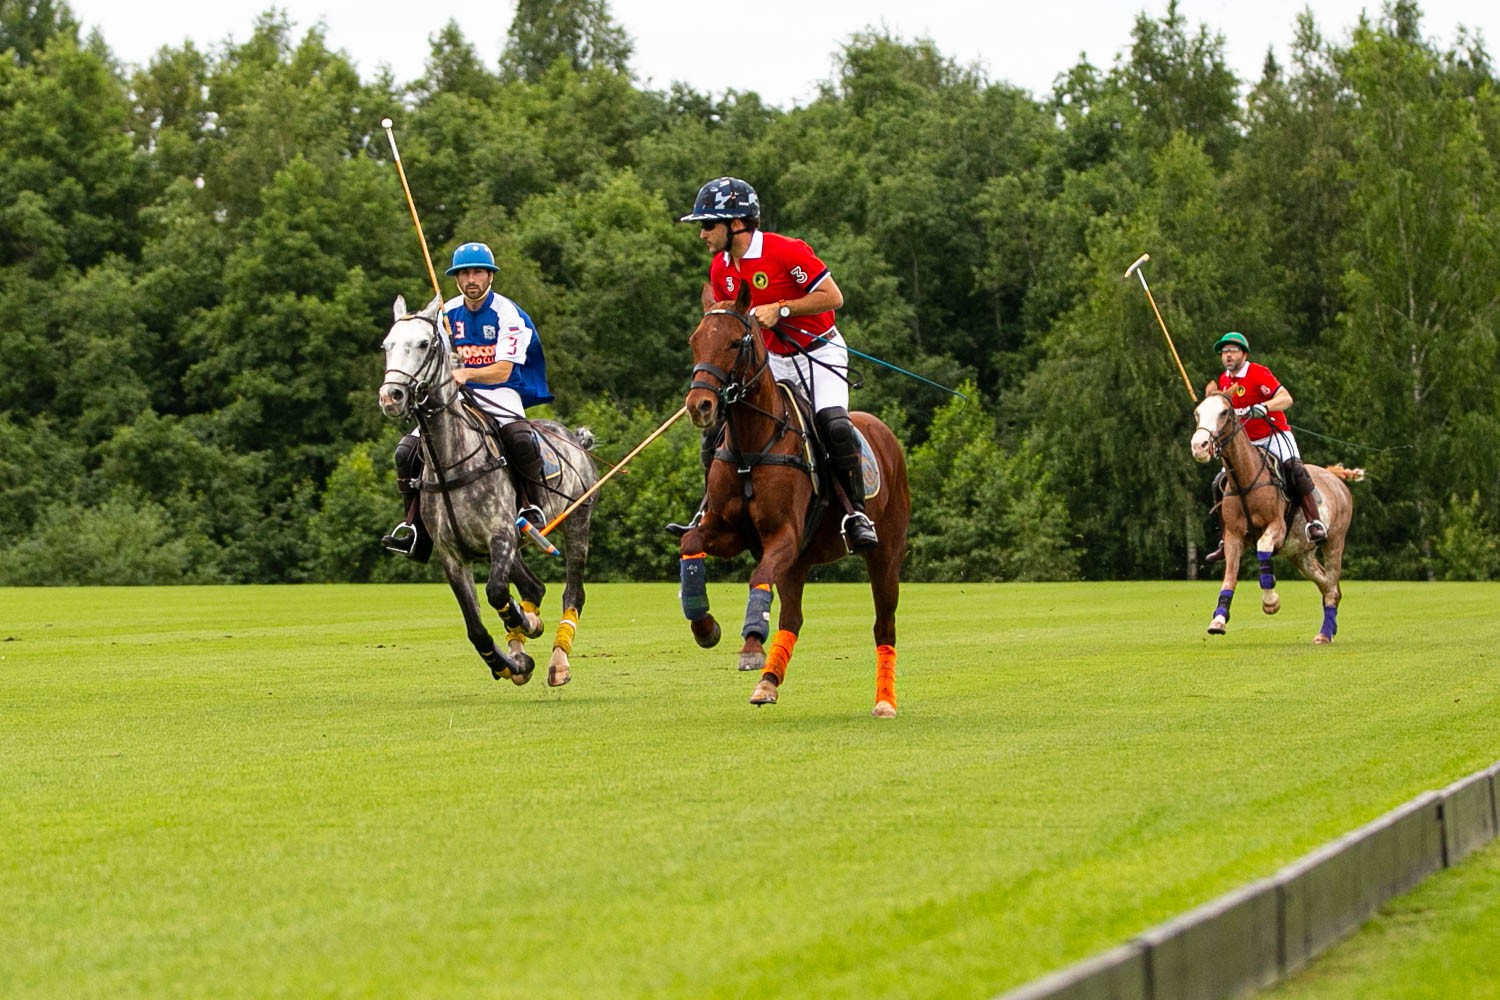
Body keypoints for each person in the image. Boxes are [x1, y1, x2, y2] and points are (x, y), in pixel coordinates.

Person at [667, 177, 879, 552]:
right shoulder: (721, 269)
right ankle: (708, 512)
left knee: (834, 425)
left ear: (736, 224)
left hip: (817, 352)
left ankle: (855, 514)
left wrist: (782, 308)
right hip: (769, 361)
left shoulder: (786, 251)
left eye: (708, 224)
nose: (702, 234)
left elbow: (833, 297)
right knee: (718, 431)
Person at [382, 241, 554, 559]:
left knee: (519, 437)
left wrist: (466, 376)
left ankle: (533, 507)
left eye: (477, 272)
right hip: (457, 394)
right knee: (406, 451)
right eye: (463, 274)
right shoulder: (446, 315)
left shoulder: (507, 313)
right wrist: (448, 378)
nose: (470, 279)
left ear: (490, 276)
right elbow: (441, 360)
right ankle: (415, 528)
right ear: (457, 279)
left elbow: (503, 370)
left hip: (500, 391)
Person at [1204, 330, 1327, 563]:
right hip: (1246, 445)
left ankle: (1313, 523)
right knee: (1218, 483)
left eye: (1232, 351)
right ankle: (1224, 539)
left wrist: (1265, 406)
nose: (1227, 356)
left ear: (1244, 353)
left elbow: (1286, 398)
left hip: (1274, 434)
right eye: (1224, 352)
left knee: (1294, 469)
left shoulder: (1259, 373)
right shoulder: (1224, 380)